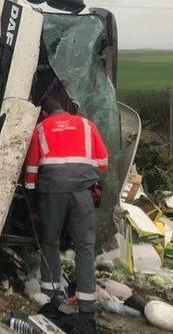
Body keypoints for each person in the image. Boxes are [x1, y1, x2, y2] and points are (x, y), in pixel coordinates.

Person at [24, 96, 108, 324]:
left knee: (50, 241)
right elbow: (103, 163)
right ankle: (87, 306)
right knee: (84, 246)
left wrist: (32, 202)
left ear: (43, 114)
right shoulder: (87, 125)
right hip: (83, 193)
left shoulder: (41, 129)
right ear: (65, 110)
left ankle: (51, 296)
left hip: (52, 193)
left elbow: (31, 172)